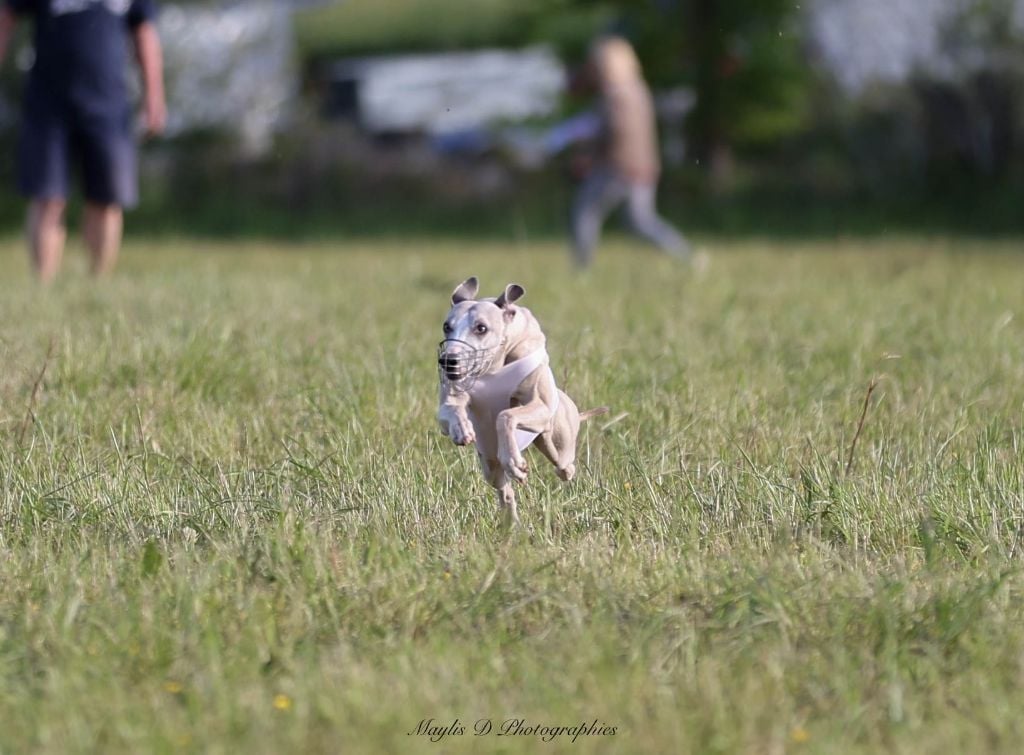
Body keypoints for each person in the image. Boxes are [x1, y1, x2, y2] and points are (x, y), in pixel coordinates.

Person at [0, 0, 166, 283]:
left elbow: (144, 32)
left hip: (110, 105)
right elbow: (6, 17)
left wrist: (154, 95)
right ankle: (43, 285)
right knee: (47, 198)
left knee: (107, 200)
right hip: (48, 106)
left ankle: (98, 282)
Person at [570, 35, 689, 268]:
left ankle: (581, 268)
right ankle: (687, 259)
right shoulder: (638, 89)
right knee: (641, 221)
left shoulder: (615, 94)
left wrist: (589, 154)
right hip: (642, 166)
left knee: (585, 213)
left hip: (617, 167)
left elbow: (617, 131)